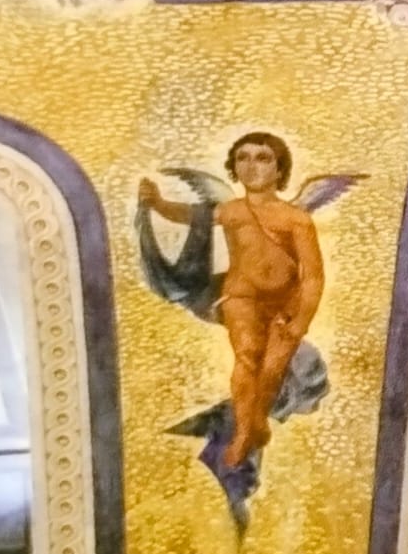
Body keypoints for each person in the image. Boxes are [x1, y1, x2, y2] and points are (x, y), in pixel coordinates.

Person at [139, 132, 325, 472]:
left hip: (286, 301)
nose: (252, 166)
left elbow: (312, 275)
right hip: (241, 297)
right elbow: (189, 215)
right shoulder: (231, 211)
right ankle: (242, 432)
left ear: (279, 169)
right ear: (234, 167)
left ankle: (257, 419)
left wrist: (302, 319)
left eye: (263, 158)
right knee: (247, 357)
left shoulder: (296, 219)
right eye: (243, 158)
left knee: (272, 368)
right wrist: (158, 203)